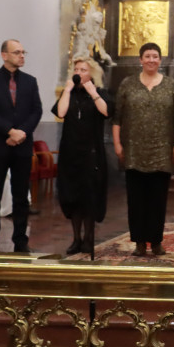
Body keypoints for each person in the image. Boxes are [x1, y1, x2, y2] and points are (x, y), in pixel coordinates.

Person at [112, 42, 174, 257]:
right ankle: (138, 242)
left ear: (160, 60)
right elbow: (117, 117)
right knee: (135, 199)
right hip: (133, 151)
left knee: (157, 199)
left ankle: (155, 242)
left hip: (162, 152)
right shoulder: (128, 84)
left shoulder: (171, 85)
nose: (151, 60)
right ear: (140, 60)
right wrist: (117, 144)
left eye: (155, 56)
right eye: (147, 56)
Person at [0, 39, 42, 253]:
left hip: (22, 146)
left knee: (21, 195)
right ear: (4, 55)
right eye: (17, 52)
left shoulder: (30, 82)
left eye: (23, 52)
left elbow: (36, 110)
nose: (22, 56)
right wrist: (9, 131)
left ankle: (21, 240)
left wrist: (22, 132)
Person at [51, 58, 113, 256]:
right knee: (72, 195)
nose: (78, 72)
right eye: (76, 69)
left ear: (91, 73)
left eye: (83, 69)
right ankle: (76, 238)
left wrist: (93, 92)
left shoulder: (99, 93)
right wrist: (67, 90)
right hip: (71, 152)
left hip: (92, 153)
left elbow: (106, 111)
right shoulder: (68, 93)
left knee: (89, 197)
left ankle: (89, 239)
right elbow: (60, 112)